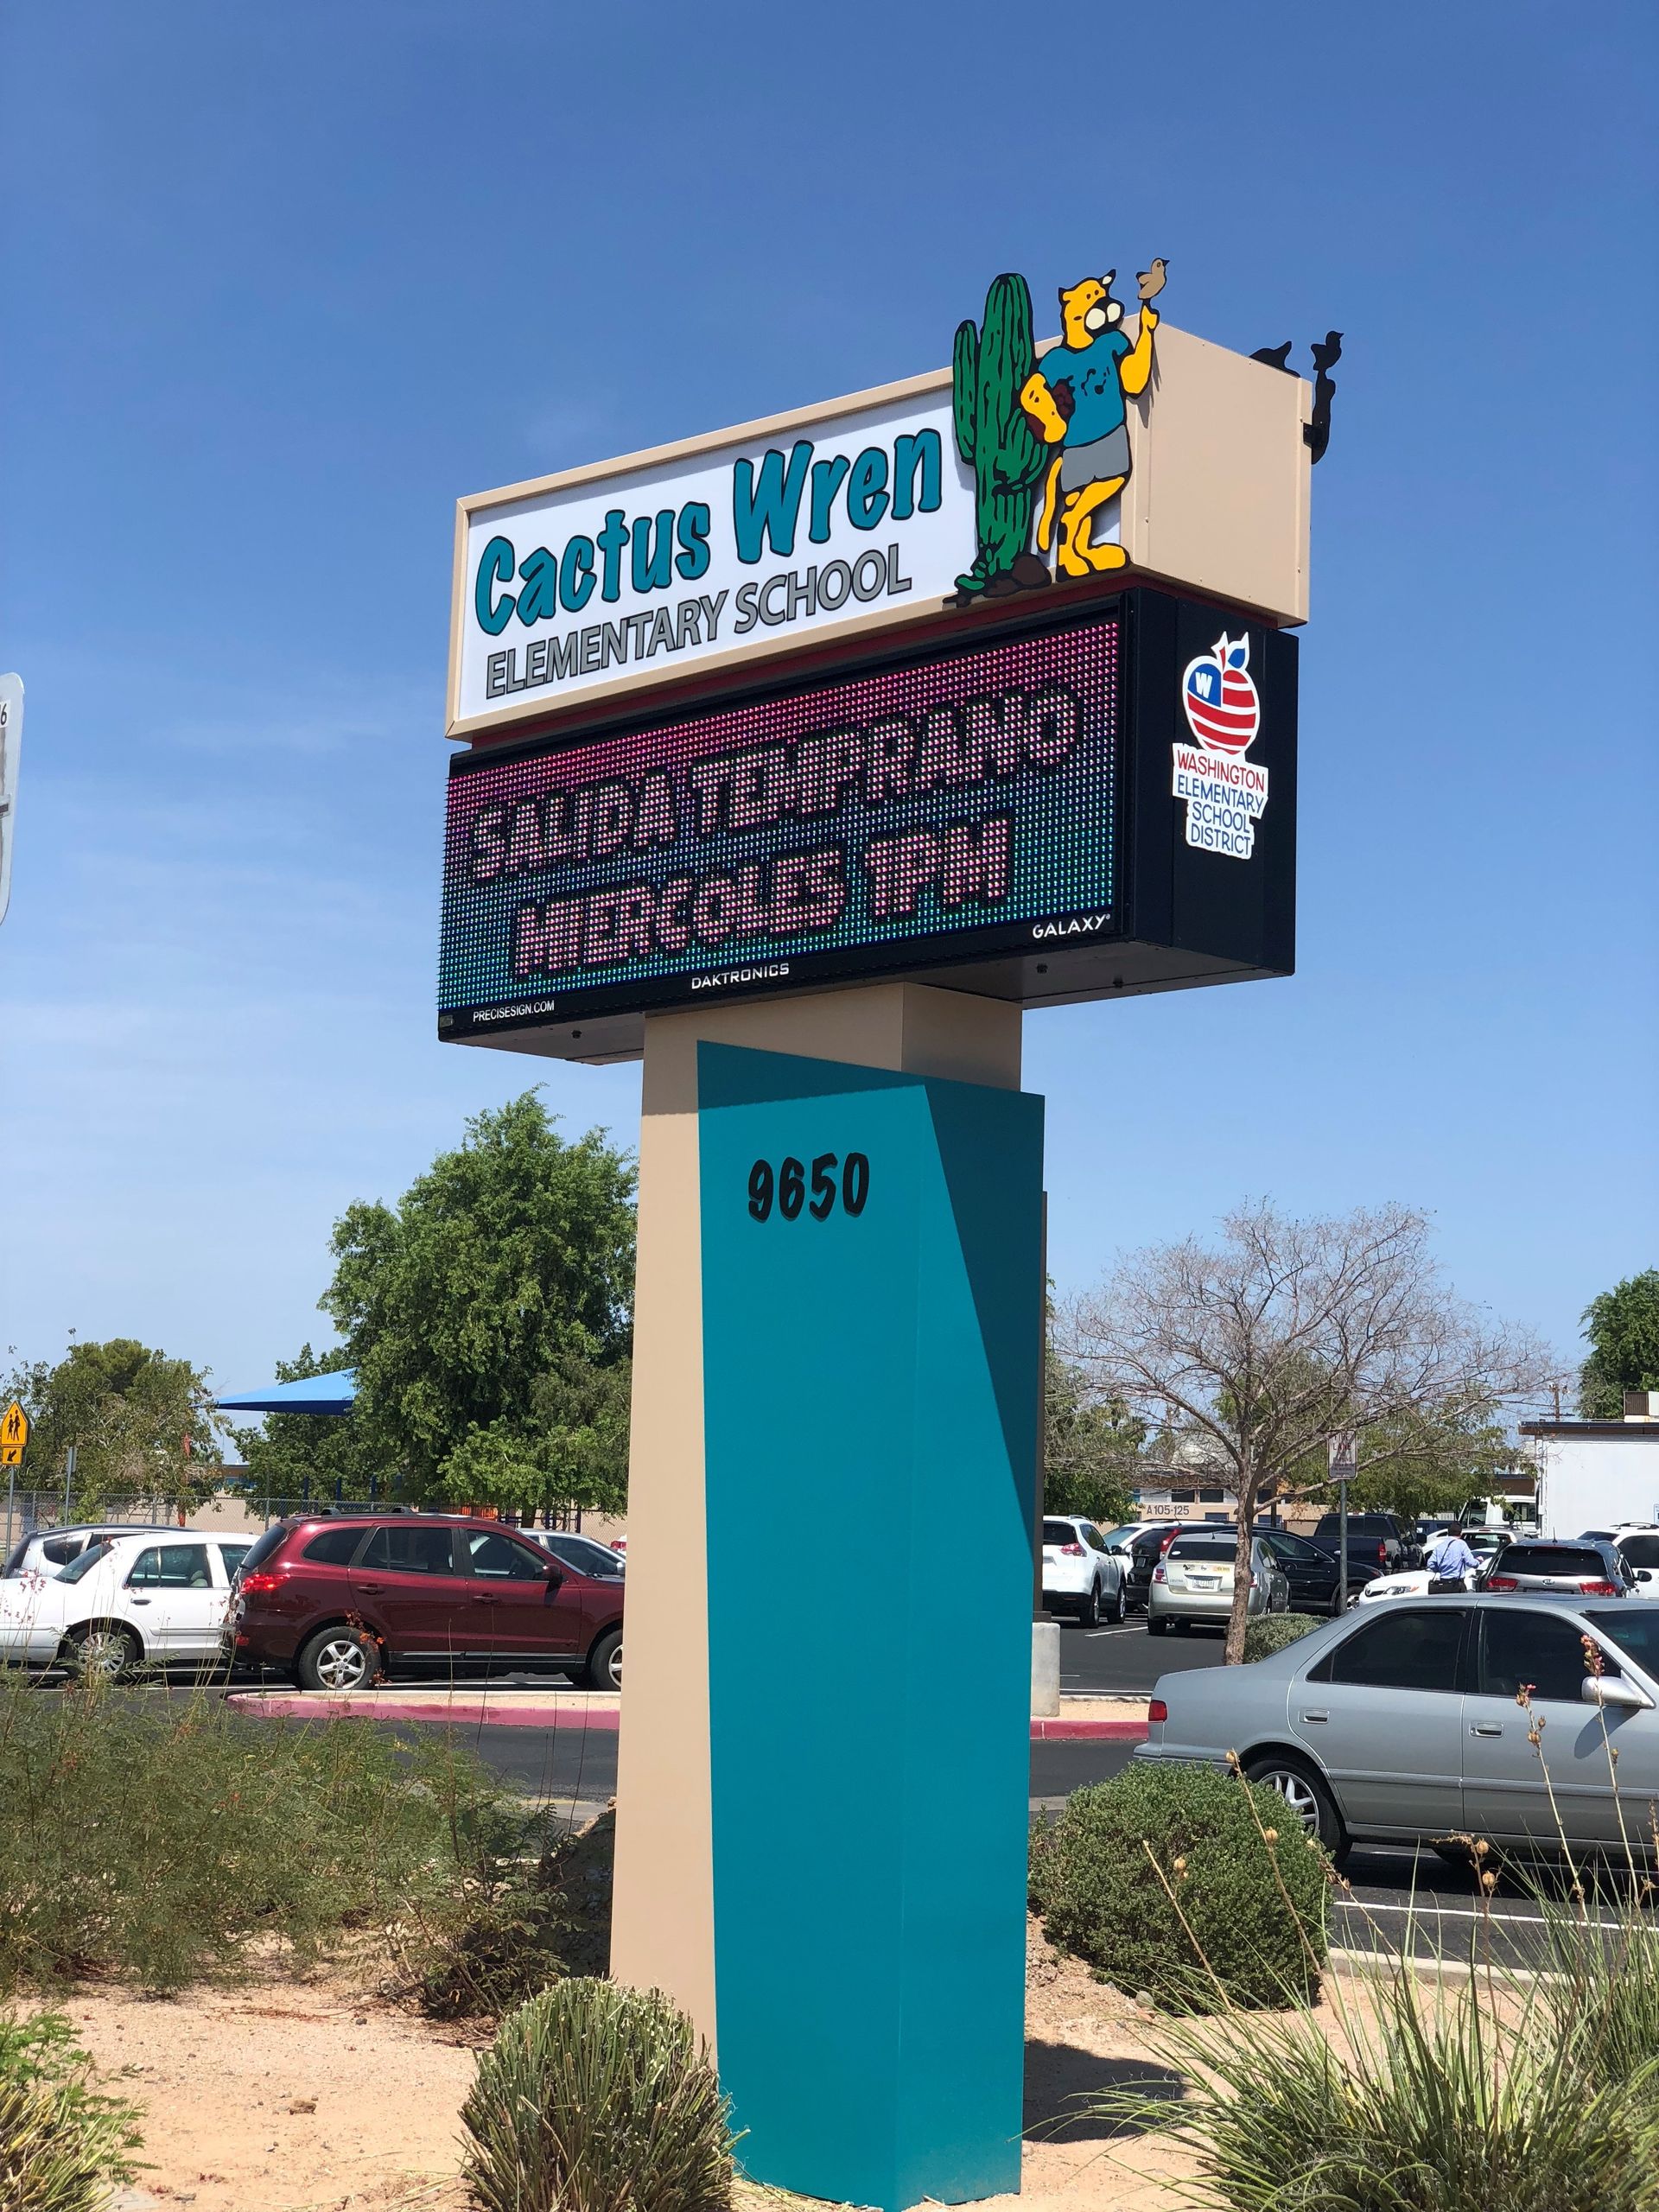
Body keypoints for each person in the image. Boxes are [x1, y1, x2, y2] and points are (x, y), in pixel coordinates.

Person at [1426, 1526, 1479, 1593]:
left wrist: (1439, 1569)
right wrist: (1478, 1562)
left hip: (1442, 1584)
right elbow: (1471, 1563)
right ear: (1461, 1534)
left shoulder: (1440, 1546)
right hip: (1456, 1584)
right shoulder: (1461, 1544)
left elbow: (1430, 1563)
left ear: (1448, 1533)